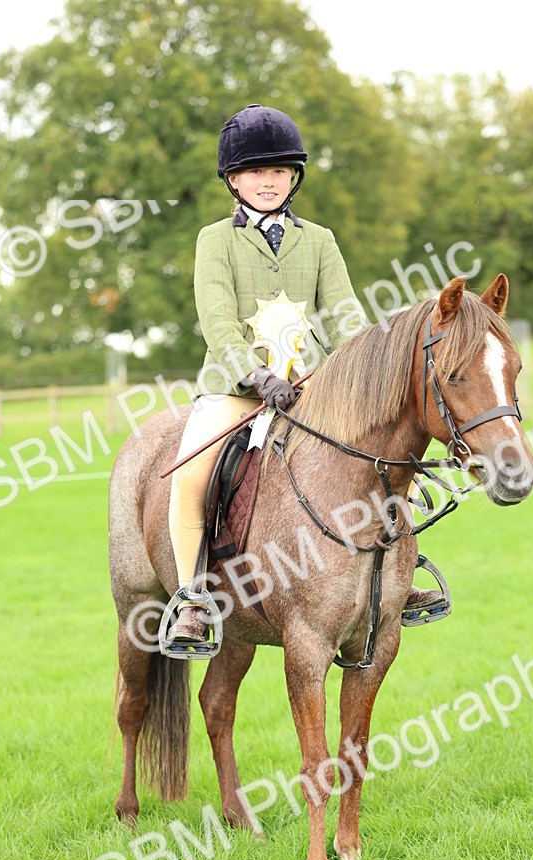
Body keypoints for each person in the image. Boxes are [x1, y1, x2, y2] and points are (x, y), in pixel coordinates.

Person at [166, 103, 367, 644]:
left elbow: (344, 314)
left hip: (315, 389)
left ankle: (396, 575)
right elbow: (217, 319)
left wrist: (364, 374)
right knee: (192, 477)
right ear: (234, 179)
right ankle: (191, 596)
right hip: (238, 391)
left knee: (379, 455)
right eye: (257, 171)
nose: (269, 181)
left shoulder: (320, 240)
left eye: (279, 171)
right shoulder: (217, 241)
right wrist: (256, 378)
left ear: (294, 177)